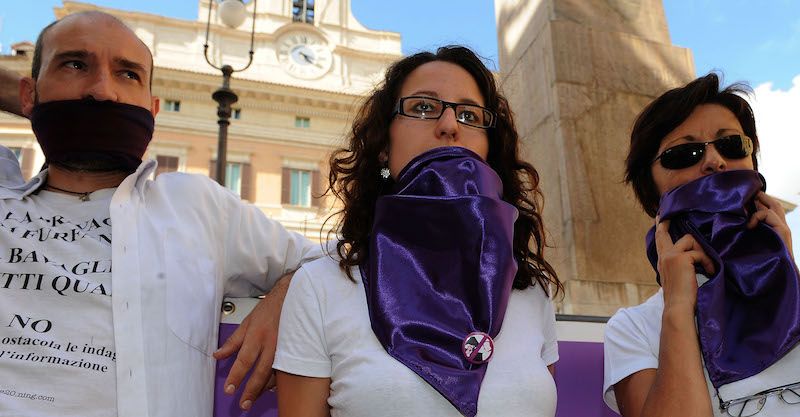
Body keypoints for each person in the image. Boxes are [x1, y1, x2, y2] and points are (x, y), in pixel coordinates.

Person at [0, 11, 320, 416]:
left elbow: (339, 260)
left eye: (127, 74)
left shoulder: (197, 207)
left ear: (152, 110)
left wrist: (287, 296)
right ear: (27, 95)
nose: (102, 91)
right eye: (75, 64)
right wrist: (37, 103)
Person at [273, 46, 562, 417]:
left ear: (489, 148)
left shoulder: (531, 290)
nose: (450, 125)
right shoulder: (320, 285)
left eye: (469, 114)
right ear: (383, 145)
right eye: (423, 107)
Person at [603, 73, 800, 417]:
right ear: (651, 190)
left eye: (732, 145)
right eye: (685, 153)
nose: (714, 161)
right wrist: (678, 308)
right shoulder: (634, 328)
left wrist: (787, 269)